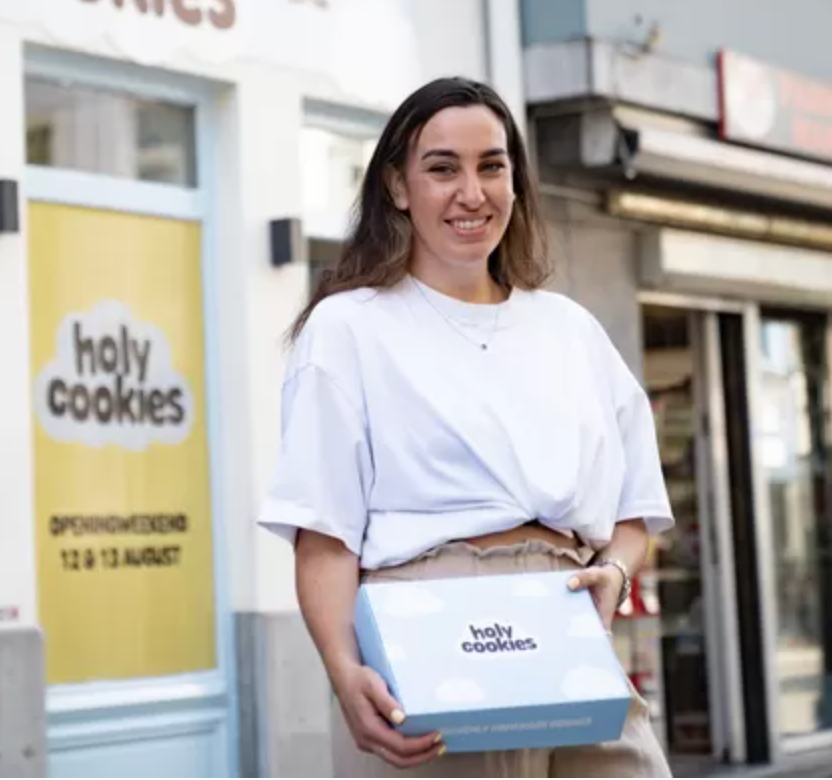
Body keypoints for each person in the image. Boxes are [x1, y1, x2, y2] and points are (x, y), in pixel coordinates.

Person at [257, 77, 675, 777]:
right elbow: (322, 532)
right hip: (423, 645)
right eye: (442, 167)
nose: (471, 192)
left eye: (491, 165)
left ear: (515, 179)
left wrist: (613, 571)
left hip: (566, 636)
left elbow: (634, 510)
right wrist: (342, 669)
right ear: (397, 186)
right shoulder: (349, 327)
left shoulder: (569, 330)